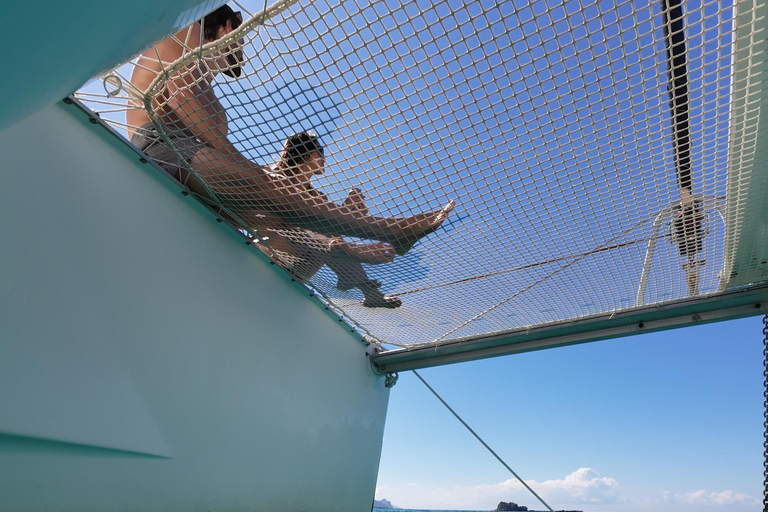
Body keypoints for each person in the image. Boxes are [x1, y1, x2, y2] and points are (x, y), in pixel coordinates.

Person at [127, 4, 454, 257]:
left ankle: (354, 252)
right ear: (227, 26)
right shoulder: (190, 32)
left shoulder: (206, 76)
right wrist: (240, 164)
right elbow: (181, 96)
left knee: (275, 218)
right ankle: (390, 231)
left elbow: (195, 111)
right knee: (266, 184)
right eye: (241, 38)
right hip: (159, 143)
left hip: (190, 163)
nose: (243, 48)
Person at [254, 132, 402, 308]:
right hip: (268, 248)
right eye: (320, 152)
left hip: (301, 264)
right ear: (306, 154)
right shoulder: (272, 174)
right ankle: (362, 285)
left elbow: (327, 227)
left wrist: (348, 212)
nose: (324, 159)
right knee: (308, 227)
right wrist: (342, 213)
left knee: (328, 232)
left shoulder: (318, 196)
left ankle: (367, 292)